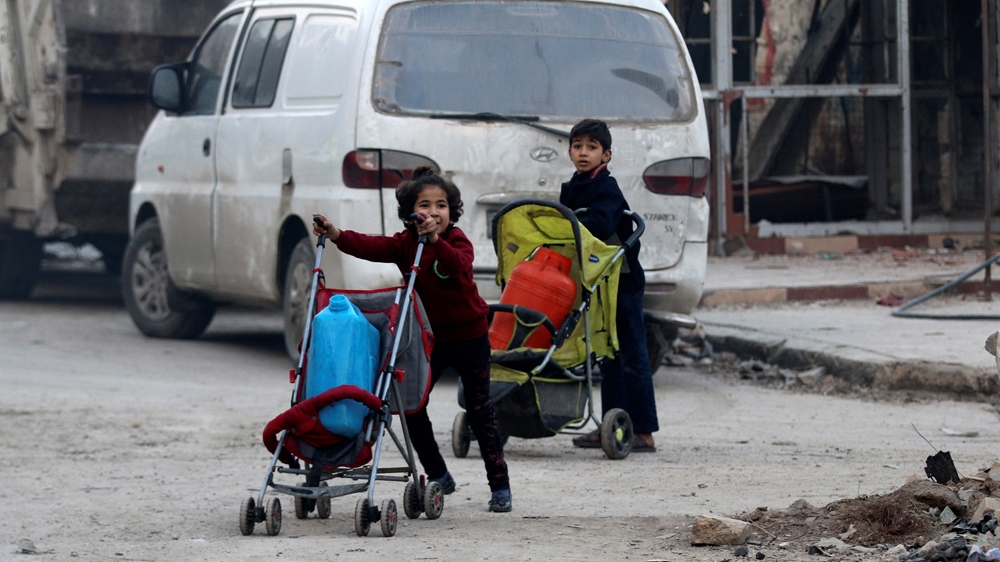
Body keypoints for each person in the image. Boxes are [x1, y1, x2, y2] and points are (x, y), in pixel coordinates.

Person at [312, 167, 513, 512]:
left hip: (470, 337)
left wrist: (435, 240)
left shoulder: (457, 240)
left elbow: (456, 266)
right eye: (425, 205)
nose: (434, 212)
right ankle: (438, 474)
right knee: (411, 405)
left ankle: (500, 485)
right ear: (410, 214)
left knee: (480, 411)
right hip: (428, 339)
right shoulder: (404, 244)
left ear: (452, 212)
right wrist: (335, 233)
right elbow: (370, 246)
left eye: (442, 205)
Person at [559, 118, 658, 453]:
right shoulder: (572, 186)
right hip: (597, 280)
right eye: (577, 146)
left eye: (591, 147)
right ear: (570, 151)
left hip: (623, 281)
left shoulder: (606, 188)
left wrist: (568, 222)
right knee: (607, 355)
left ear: (606, 155)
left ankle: (643, 431)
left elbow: (600, 224)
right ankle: (611, 426)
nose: (583, 152)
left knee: (632, 355)